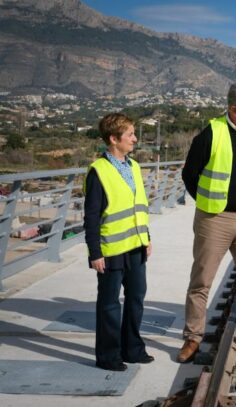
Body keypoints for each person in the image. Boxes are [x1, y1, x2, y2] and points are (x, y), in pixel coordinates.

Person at [179, 81, 236, 363]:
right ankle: (193, 338)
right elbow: (189, 175)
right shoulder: (210, 134)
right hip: (214, 219)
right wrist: (208, 204)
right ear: (233, 109)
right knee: (202, 281)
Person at [84, 113, 154, 371]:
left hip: (136, 246)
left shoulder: (134, 166)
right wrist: (95, 252)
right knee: (110, 305)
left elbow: (140, 206)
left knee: (136, 298)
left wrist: (147, 238)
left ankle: (132, 349)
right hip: (111, 250)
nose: (135, 139)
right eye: (130, 135)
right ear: (114, 139)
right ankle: (108, 356)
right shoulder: (98, 172)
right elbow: (91, 216)